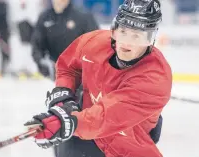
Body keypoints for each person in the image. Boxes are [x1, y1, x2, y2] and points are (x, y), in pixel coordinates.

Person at [25, 0, 172, 157]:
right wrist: (63, 93)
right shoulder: (96, 42)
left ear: (151, 40)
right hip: (85, 134)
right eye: (122, 31)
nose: (126, 42)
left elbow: (104, 118)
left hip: (126, 147)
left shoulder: (155, 78)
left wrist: (67, 123)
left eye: (137, 36)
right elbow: (68, 66)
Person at [31, 0, 99, 80]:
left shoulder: (83, 16)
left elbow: (97, 43)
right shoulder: (45, 17)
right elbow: (37, 45)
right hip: (56, 73)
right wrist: (42, 62)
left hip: (80, 72)